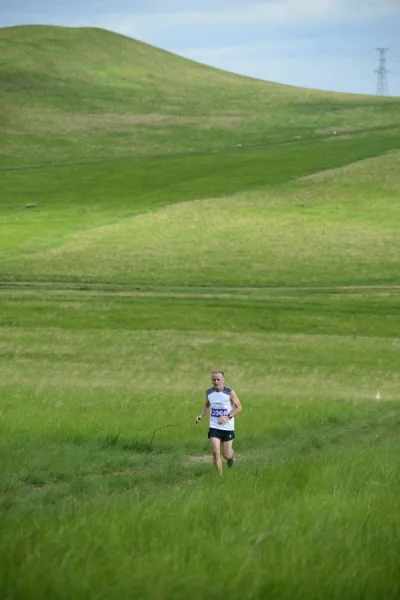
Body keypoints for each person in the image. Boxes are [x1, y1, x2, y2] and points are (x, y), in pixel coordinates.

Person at [195, 370, 242, 475]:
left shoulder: (229, 392)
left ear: (223, 380)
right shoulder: (209, 392)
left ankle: (231, 457)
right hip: (214, 426)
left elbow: (239, 408)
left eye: (218, 379)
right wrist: (200, 415)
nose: (216, 382)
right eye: (214, 379)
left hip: (227, 427)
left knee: (226, 455)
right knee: (215, 452)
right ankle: (219, 476)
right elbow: (208, 406)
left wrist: (227, 416)